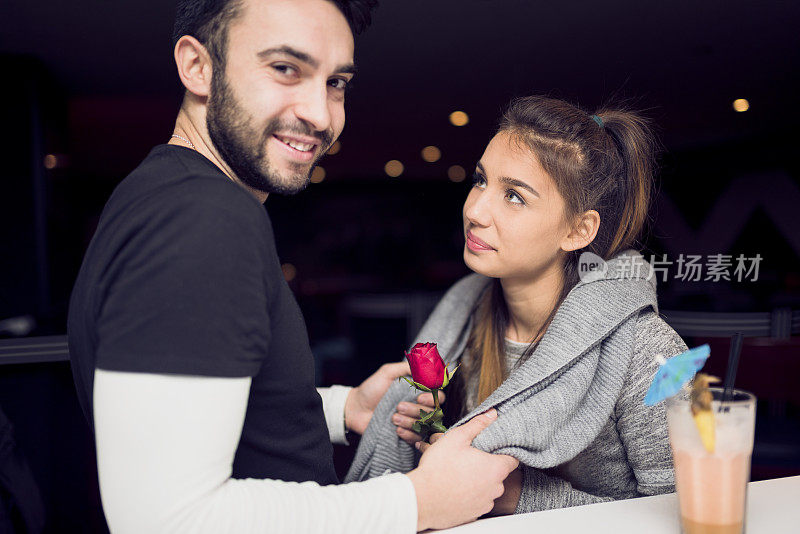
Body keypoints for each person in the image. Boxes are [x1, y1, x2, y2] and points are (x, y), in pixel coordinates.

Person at [66, 1, 517, 532]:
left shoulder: (156, 191)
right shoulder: (206, 216)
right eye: (286, 69)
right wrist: (418, 499)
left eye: (336, 83)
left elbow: (183, 421)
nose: (322, 116)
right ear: (197, 67)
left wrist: (338, 409)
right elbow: (167, 519)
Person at [348, 95, 687, 515]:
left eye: (514, 196)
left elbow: (683, 513)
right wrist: (431, 442)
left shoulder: (648, 351)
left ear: (579, 230)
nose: (474, 210)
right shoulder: (463, 315)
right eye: (480, 180)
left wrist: (513, 493)